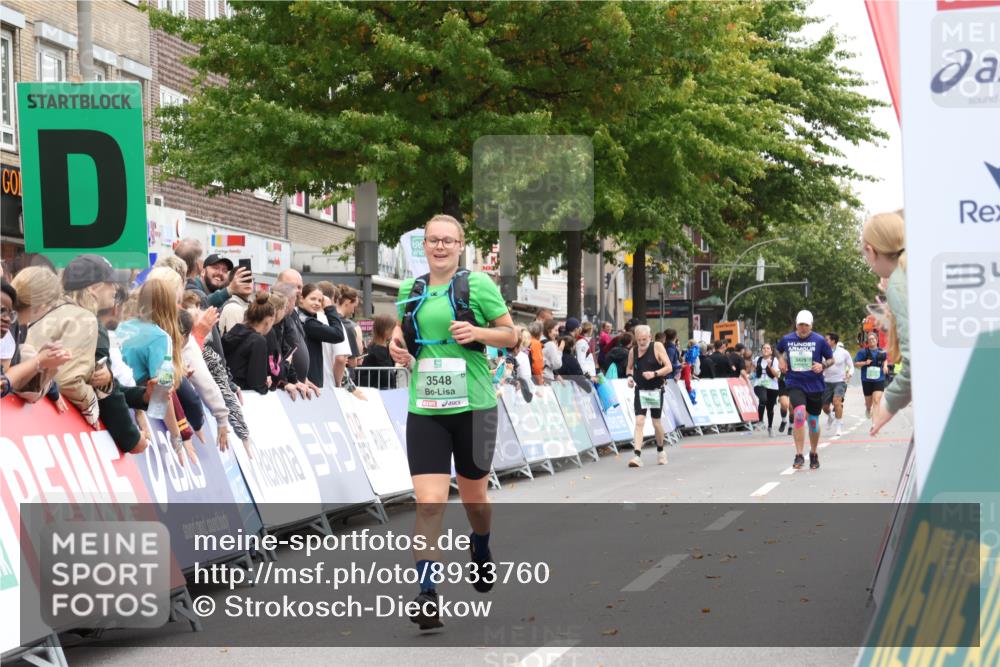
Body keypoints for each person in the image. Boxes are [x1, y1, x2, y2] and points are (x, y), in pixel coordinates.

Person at [388, 214, 516, 630]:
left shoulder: (477, 285)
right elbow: (407, 339)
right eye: (433, 241)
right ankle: (427, 594)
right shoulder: (411, 289)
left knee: (475, 503)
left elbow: (511, 335)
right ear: (423, 245)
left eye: (448, 240)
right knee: (429, 502)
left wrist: (477, 332)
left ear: (461, 246)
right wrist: (399, 348)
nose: (440, 247)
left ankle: (480, 546)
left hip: (474, 406)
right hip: (426, 407)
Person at [63, 255, 151, 454]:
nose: (116, 289)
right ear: (93, 288)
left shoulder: (54, 313)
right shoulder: (90, 323)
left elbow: (103, 381)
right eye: (110, 282)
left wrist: (141, 396)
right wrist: (132, 439)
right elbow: (103, 388)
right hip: (69, 430)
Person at [11, 266, 100, 426]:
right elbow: (4, 381)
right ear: (43, 306)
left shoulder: (19, 325)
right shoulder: (8, 325)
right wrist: (39, 361)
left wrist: (53, 391)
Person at [862, 212, 910, 436]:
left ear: (871, 251)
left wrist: (887, 407)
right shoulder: (906, 276)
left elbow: (914, 366)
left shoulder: (899, 285)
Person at [776, 310, 834, 470]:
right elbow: (777, 349)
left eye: (806, 325)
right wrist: (781, 359)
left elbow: (831, 359)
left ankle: (814, 453)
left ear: (811, 325)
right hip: (795, 383)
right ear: (796, 324)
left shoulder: (820, 340)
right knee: (799, 413)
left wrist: (822, 365)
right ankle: (799, 454)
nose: (803, 328)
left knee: (813, 422)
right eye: (800, 325)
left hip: (815, 385)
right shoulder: (787, 339)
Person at [0, 279, 72, 398]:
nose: (7, 319)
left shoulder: (10, 335)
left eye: (9, 314)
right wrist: (38, 360)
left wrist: (42, 362)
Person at [626, 324, 673, 467]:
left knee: (656, 422)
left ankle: (661, 451)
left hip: (655, 390)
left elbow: (669, 367)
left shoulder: (657, 346)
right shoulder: (633, 351)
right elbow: (629, 368)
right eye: (639, 339)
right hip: (640, 390)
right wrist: (629, 377)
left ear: (650, 337)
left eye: (644, 339)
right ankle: (637, 455)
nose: (641, 342)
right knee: (639, 421)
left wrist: (655, 374)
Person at [222, 292, 276, 395]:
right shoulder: (258, 341)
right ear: (268, 321)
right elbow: (257, 383)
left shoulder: (234, 332)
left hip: (227, 392)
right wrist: (265, 385)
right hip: (244, 398)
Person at [298, 283, 347, 388]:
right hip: (310, 383)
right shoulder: (309, 323)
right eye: (313, 299)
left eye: (320, 300)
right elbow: (338, 334)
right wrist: (330, 308)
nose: (317, 303)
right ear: (301, 299)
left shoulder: (299, 317)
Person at [188, 252, 253, 310]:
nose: (220, 273)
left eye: (224, 271)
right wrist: (230, 289)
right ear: (203, 272)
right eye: (215, 268)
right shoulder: (191, 286)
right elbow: (202, 303)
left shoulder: (225, 297)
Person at [822, 332, 854, 437]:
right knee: (825, 407)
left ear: (833, 341)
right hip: (826, 382)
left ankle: (838, 427)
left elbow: (851, 366)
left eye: (827, 340)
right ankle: (831, 416)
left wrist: (849, 374)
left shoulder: (844, 353)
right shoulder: (822, 352)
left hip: (840, 381)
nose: (824, 341)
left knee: (837, 402)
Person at [357, 314, 398, 389]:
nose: (394, 332)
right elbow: (387, 374)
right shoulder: (378, 349)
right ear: (386, 330)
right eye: (392, 329)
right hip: (379, 390)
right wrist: (397, 367)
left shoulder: (376, 346)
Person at [855, 332, 887, 422]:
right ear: (867, 342)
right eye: (870, 339)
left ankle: (875, 423)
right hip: (867, 380)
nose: (872, 341)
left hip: (879, 379)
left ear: (877, 340)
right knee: (869, 403)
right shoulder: (863, 352)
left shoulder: (882, 351)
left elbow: (885, 360)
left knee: (876, 400)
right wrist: (865, 363)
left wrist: (885, 366)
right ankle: (868, 409)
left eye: (873, 339)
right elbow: (856, 363)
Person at [753, 343, 780, 437]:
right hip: (759, 384)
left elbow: (777, 375)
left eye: (768, 348)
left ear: (771, 351)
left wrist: (769, 366)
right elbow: (753, 369)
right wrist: (751, 375)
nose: (765, 350)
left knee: (770, 408)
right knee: (763, 399)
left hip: (772, 386)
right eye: (764, 348)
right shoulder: (757, 359)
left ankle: (770, 427)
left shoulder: (775, 360)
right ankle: (760, 421)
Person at [540, 319, 563, 383]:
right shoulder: (550, 344)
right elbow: (557, 364)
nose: (557, 333)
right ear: (548, 330)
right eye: (555, 330)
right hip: (546, 376)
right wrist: (560, 350)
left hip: (538, 375)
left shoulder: (539, 340)